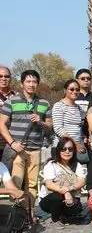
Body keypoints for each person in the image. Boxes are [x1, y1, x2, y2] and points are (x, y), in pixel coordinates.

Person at [0, 70, 52, 212]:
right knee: (16, 183)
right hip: (18, 149)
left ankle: (30, 212)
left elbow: (49, 126)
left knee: (32, 184)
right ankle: (18, 212)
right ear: (22, 84)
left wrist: (40, 122)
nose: (31, 84)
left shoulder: (44, 103)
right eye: (28, 81)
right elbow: (1, 124)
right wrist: (12, 143)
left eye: (34, 81)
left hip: (35, 149)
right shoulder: (12, 101)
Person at [39, 138, 86, 228]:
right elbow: (49, 184)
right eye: (63, 149)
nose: (67, 152)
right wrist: (65, 192)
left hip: (70, 199)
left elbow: (82, 181)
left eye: (70, 149)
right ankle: (55, 219)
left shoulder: (77, 165)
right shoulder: (52, 164)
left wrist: (69, 189)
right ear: (58, 150)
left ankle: (64, 216)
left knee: (77, 208)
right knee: (57, 197)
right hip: (49, 200)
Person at [52, 79, 87, 161]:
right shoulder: (59, 106)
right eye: (71, 89)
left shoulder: (79, 108)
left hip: (76, 148)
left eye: (77, 90)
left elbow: (79, 127)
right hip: (63, 148)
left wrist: (83, 138)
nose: (74, 91)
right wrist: (74, 143)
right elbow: (58, 128)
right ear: (65, 90)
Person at [0, 66, 16, 159]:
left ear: (10, 78)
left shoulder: (17, 97)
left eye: (6, 76)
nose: (3, 78)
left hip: (12, 144)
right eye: (0, 76)